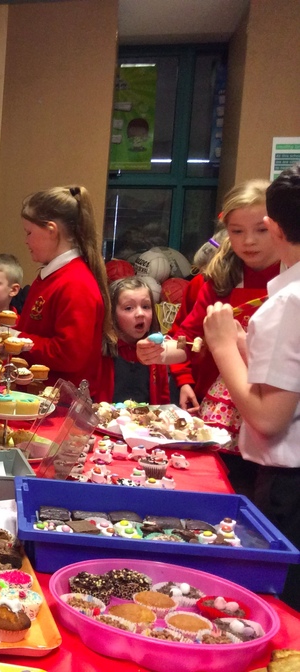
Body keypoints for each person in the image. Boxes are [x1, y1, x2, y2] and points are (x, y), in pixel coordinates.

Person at [201, 163, 300, 610]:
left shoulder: (287, 303)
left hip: (289, 487)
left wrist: (223, 347)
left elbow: (267, 419)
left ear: (276, 228)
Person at [166, 180, 280, 414]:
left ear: (280, 227)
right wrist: (160, 352)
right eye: (237, 231)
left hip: (279, 403)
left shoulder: (292, 280)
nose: (249, 241)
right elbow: (187, 338)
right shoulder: (219, 281)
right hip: (216, 403)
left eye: (261, 230)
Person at [15, 185, 115, 400]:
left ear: (51, 230)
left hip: (60, 408)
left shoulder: (76, 283)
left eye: (29, 232)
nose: (26, 241)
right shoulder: (52, 275)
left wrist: (18, 340)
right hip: (43, 400)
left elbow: (70, 355)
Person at [109, 276, 169, 404]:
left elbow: (163, 399)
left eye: (146, 306)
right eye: (129, 308)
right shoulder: (102, 353)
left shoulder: (156, 352)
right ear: (112, 314)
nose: (140, 313)